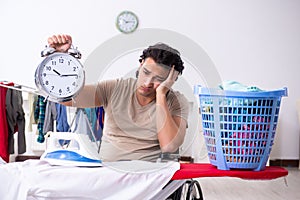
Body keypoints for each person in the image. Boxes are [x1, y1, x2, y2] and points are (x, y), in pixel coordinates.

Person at [47, 34, 189, 162]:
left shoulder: (176, 102)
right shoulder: (115, 88)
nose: (147, 83)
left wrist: (161, 94)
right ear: (140, 65)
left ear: (171, 80)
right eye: (145, 72)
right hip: (110, 173)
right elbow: (67, 99)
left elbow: (169, 146)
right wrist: (62, 59)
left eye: (158, 79)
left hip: (152, 178)